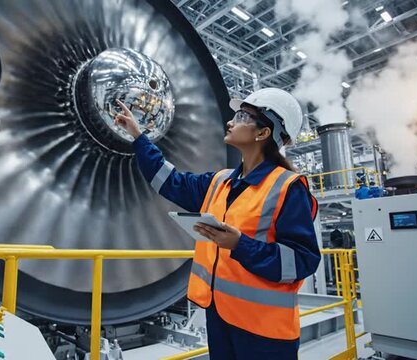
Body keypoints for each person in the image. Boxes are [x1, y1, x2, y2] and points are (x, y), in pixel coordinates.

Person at [114, 88, 319, 359]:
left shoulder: (288, 188)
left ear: (263, 133)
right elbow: (170, 182)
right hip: (220, 318)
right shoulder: (220, 182)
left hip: (264, 332)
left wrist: (240, 245)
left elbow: (303, 261)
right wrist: (138, 137)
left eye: (243, 116)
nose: (230, 121)